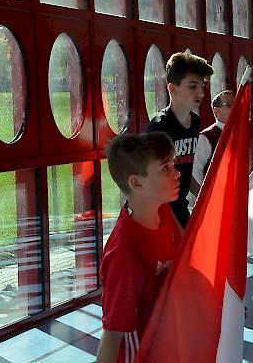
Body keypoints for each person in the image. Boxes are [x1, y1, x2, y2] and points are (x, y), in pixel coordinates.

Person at [96, 132, 184, 363]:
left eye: (173, 165)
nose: (177, 173)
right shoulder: (125, 254)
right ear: (136, 183)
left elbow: (185, 252)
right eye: (166, 168)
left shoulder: (162, 210)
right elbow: (113, 333)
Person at [146, 51, 214, 228]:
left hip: (180, 207)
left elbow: (185, 166)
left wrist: (201, 195)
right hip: (160, 212)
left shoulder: (195, 122)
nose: (200, 92)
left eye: (202, 86)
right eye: (192, 86)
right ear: (172, 88)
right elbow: (147, 180)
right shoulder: (160, 127)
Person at [191, 90, 235, 194]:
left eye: (236, 103)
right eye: (229, 105)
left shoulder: (240, 133)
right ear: (216, 111)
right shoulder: (206, 137)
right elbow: (194, 172)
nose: (235, 108)